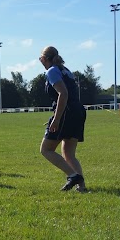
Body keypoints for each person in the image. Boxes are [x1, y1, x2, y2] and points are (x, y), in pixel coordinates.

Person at [39, 46, 87, 192]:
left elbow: (63, 94)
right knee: (68, 153)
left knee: (46, 149)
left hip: (67, 112)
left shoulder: (52, 71)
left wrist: (57, 119)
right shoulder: (65, 70)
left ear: (45, 58)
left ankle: (73, 176)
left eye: (40, 57)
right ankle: (81, 187)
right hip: (77, 112)